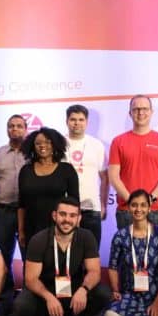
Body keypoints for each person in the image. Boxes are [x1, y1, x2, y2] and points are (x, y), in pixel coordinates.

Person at [14, 197, 111, 316]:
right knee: (21, 305)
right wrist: (48, 297)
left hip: (75, 290)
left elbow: (94, 272)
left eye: (72, 215)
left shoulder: (87, 237)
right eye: (63, 214)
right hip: (46, 291)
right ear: (54, 216)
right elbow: (31, 279)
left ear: (79, 218)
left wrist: (84, 289)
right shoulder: (38, 240)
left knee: (103, 293)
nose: (67, 220)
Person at [103, 189, 158, 316]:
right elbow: (113, 266)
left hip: (156, 297)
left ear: (149, 208)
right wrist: (115, 290)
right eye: (134, 205)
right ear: (128, 208)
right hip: (131, 296)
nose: (138, 209)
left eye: (143, 205)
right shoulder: (120, 236)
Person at [108, 95, 158, 229]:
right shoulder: (118, 141)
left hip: (155, 208)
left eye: (144, 109)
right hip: (127, 210)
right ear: (130, 113)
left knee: (157, 244)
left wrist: (151, 199)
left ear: (151, 112)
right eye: (136, 109)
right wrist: (132, 201)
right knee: (127, 244)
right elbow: (113, 176)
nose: (140, 112)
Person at [0, 114, 27, 316]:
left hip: (28, 211)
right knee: (3, 257)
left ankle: (28, 304)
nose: (15, 129)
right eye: (11, 126)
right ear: (7, 129)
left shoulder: (34, 153)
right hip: (3, 210)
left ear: (26, 129)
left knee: (30, 256)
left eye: (19, 126)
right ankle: (6, 304)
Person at [17, 127, 79, 250]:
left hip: (58, 228)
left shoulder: (67, 170)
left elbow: (75, 202)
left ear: (55, 144)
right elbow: (21, 204)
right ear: (32, 146)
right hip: (31, 228)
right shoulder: (25, 170)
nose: (42, 146)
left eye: (47, 142)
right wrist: (21, 230)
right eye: (38, 143)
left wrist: (73, 228)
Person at [64, 104, 108, 246]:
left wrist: (103, 204)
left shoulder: (97, 145)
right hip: (65, 209)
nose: (77, 123)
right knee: (66, 252)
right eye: (73, 119)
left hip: (92, 208)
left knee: (91, 251)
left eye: (81, 119)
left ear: (87, 122)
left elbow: (104, 177)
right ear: (66, 121)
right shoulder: (58, 144)